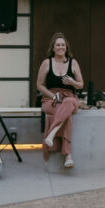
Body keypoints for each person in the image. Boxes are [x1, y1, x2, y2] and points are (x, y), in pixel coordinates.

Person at [36, 33, 83, 169]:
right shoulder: (46, 63)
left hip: (69, 98)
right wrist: (52, 96)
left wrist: (73, 82)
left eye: (63, 45)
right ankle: (67, 155)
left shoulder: (73, 63)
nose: (60, 47)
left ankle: (51, 134)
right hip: (51, 99)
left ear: (66, 47)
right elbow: (39, 85)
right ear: (53, 48)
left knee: (68, 103)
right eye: (58, 45)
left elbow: (81, 84)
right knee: (66, 114)